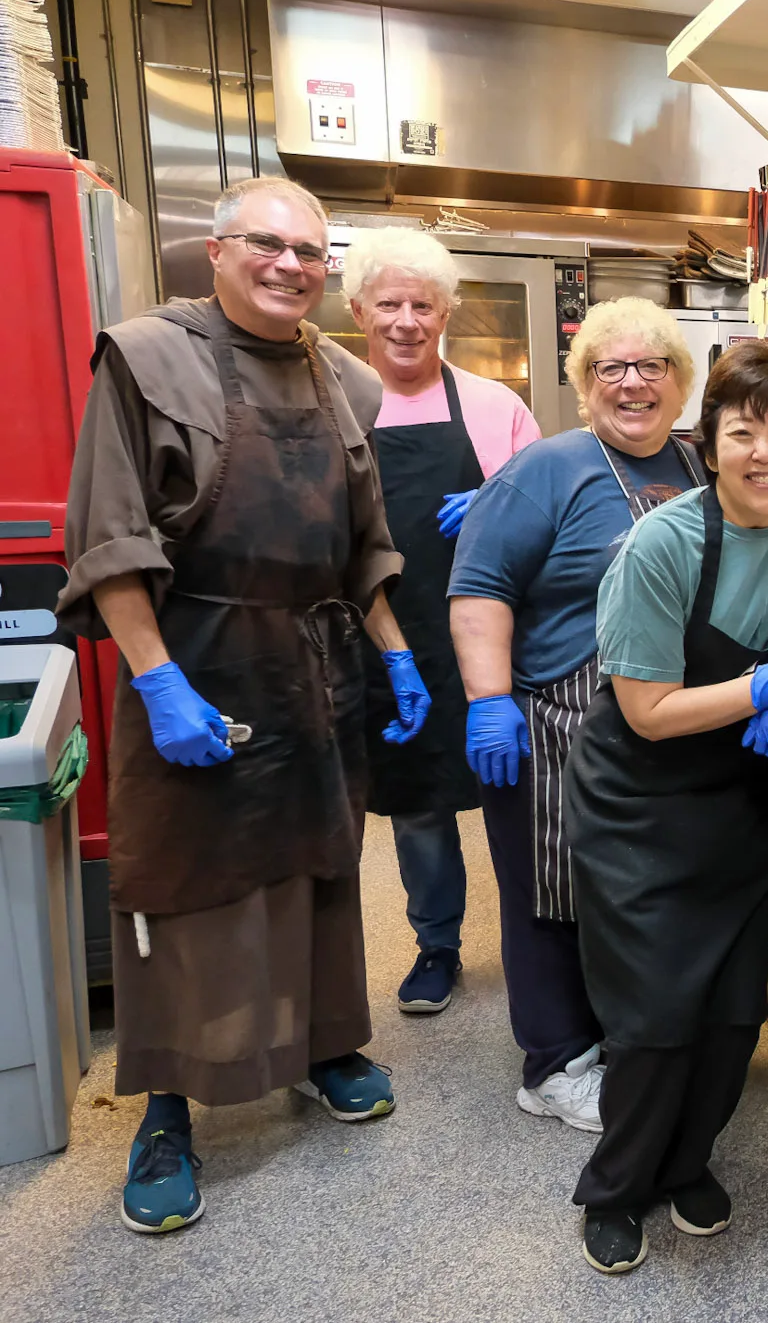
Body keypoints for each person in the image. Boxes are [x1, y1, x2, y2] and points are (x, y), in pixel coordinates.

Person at [57, 176, 427, 1234]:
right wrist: (156, 677)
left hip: (315, 662)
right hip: (197, 655)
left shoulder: (348, 382)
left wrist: (398, 655)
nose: (290, 266)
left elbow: (365, 548)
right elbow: (110, 537)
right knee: (187, 883)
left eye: (310, 251)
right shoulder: (145, 358)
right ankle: (166, 1107)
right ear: (215, 252)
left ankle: (325, 1046)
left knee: (321, 863)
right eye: (267, 244)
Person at [565, 342, 768, 1273]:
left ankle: (688, 1161)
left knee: (733, 1014)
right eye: (743, 432)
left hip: (736, 791)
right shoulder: (663, 544)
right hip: (637, 802)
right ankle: (616, 1188)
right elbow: (648, 711)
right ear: (709, 444)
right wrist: (764, 688)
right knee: (655, 1020)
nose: (764, 453)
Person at [448, 296, 705, 1134]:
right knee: (550, 889)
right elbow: (478, 587)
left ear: (679, 380)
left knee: (630, 887)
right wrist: (490, 701)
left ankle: (621, 1037)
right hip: (560, 714)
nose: (632, 384)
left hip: (666, 714)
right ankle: (553, 1064)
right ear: (584, 383)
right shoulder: (547, 468)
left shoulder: (698, 464)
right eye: (610, 368)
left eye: (651, 365)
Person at [343, 227, 542, 1016]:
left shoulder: (495, 408)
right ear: (358, 311)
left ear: (446, 313)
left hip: (495, 642)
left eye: (423, 305)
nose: (406, 321)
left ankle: (542, 942)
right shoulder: (335, 410)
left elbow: (553, 524)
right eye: (389, 303)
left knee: (518, 797)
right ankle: (437, 944)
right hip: (392, 641)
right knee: (419, 807)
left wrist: (501, 500)